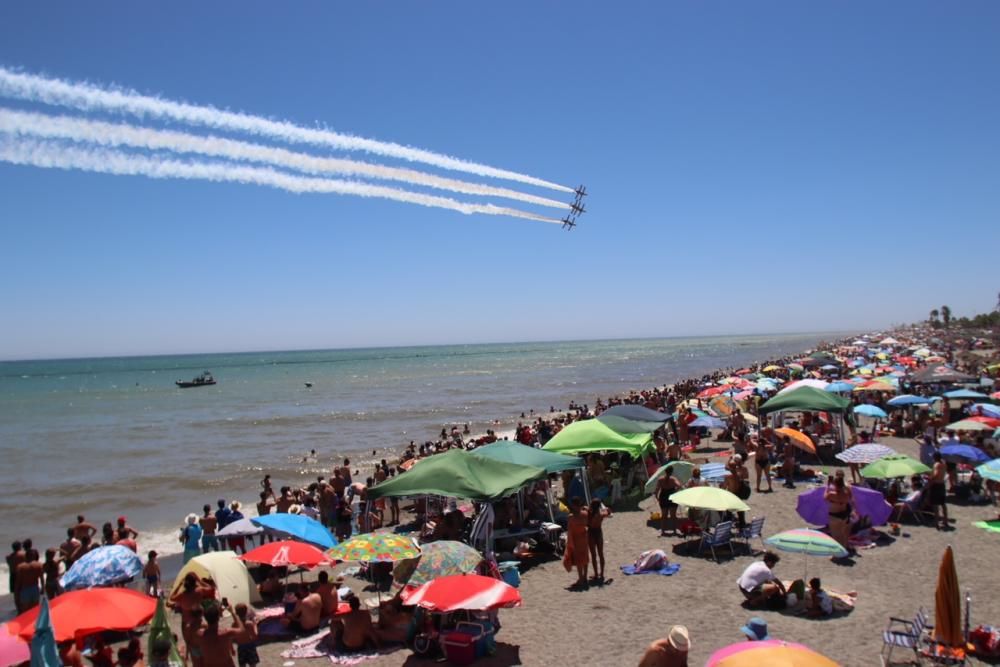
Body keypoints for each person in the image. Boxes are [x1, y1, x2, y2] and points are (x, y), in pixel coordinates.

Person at [198, 602, 246, 667]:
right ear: (218, 617)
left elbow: (196, 624)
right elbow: (242, 630)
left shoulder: (200, 634)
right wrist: (233, 613)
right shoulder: (226, 633)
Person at [562, 496, 590, 590]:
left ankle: (581, 579)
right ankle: (585, 577)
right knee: (585, 558)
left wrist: (569, 542)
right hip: (584, 537)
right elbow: (587, 524)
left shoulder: (571, 517)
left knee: (579, 561)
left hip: (576, 539)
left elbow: (569, 530)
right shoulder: (585, 514)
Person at [825, 472, 854, 555]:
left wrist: (828, 486)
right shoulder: (847, 493)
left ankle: (837, 553)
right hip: (844, 514)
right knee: (842, 534)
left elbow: (825, 498)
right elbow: (851, 497)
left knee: (836, 535)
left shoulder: (831, 494)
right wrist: (847, 487)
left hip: (834, 515)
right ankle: (843, 551)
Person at [588, 498, 611, 583]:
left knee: (593, 555)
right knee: (601, 554)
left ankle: (596, 573)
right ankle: (601, 573)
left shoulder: (589, 514)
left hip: (591, 533)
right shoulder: (601, 514)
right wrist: (607, 509)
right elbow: (609, 512)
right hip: (598, 532)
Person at [14, 548, 43, 612]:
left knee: (25, 612)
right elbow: (42, 579)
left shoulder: (20, 567)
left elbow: (18, 582)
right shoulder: (39, 565)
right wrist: (43, 588)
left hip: (25, 590)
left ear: (25, 556)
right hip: (35, 588)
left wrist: (16, 595)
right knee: (35, 611)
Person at [656, 466, 681, 536]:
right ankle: (674, 530)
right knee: (673, 515)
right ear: (672, 472)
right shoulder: (673, 479)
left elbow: (657, 489)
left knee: (664, 515)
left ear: (665, 471)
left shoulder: (660, 479)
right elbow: (679, 485)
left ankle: (663, 531)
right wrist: (675, 491)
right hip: (672, 496)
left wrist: (657, 497)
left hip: (663, 496)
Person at [930, 452, 950, 530]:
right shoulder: (944, 464)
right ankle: (945, 520)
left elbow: (936, 474)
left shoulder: (936, 464)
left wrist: (930, 478)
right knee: (943, 504)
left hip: (936, 485)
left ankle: (936, 522)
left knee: (935, 505)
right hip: (942, 484)